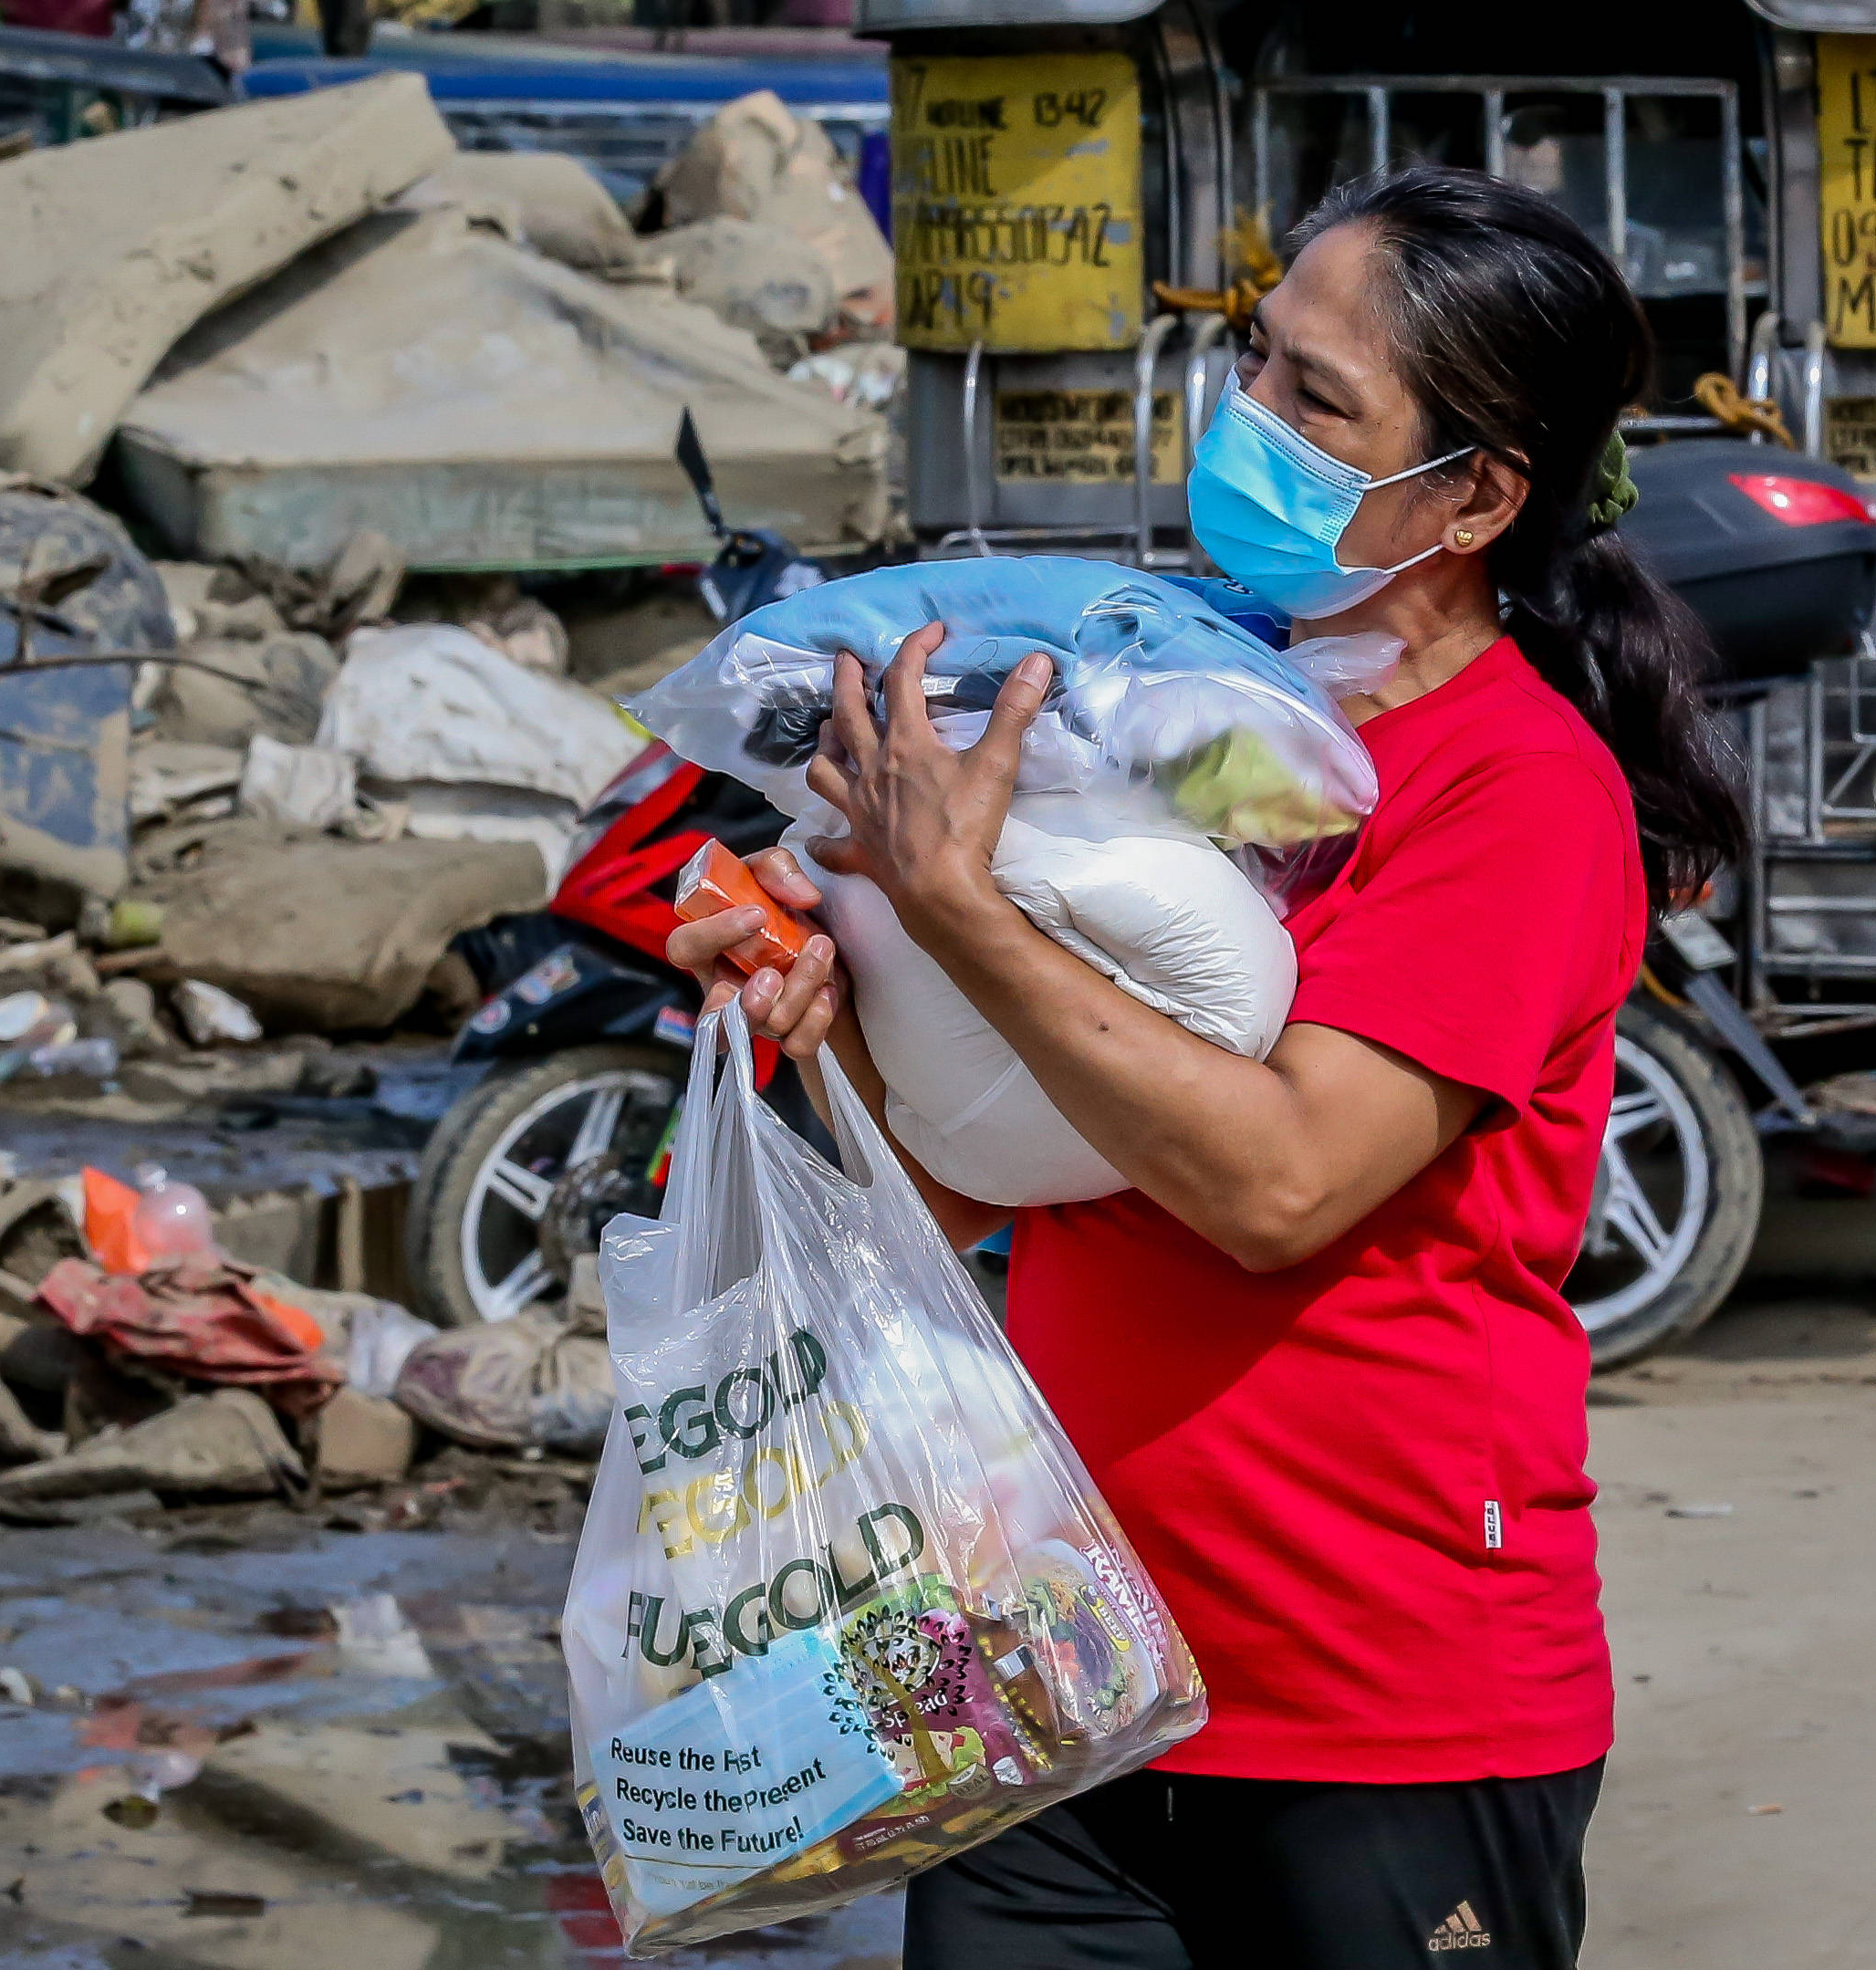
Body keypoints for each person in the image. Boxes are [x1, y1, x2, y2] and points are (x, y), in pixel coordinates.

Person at [666, 165, 1746, 1970]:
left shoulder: (1514, 793)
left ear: (1474, 492)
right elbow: (966, 1176)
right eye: (1252, 368)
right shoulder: (1159, 709)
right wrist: (821, 1005)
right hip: (1051, 1656)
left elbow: (1274, 1184)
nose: (1245, 427)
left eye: (1314, 403)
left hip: (1373, 1706)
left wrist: (958, 913)